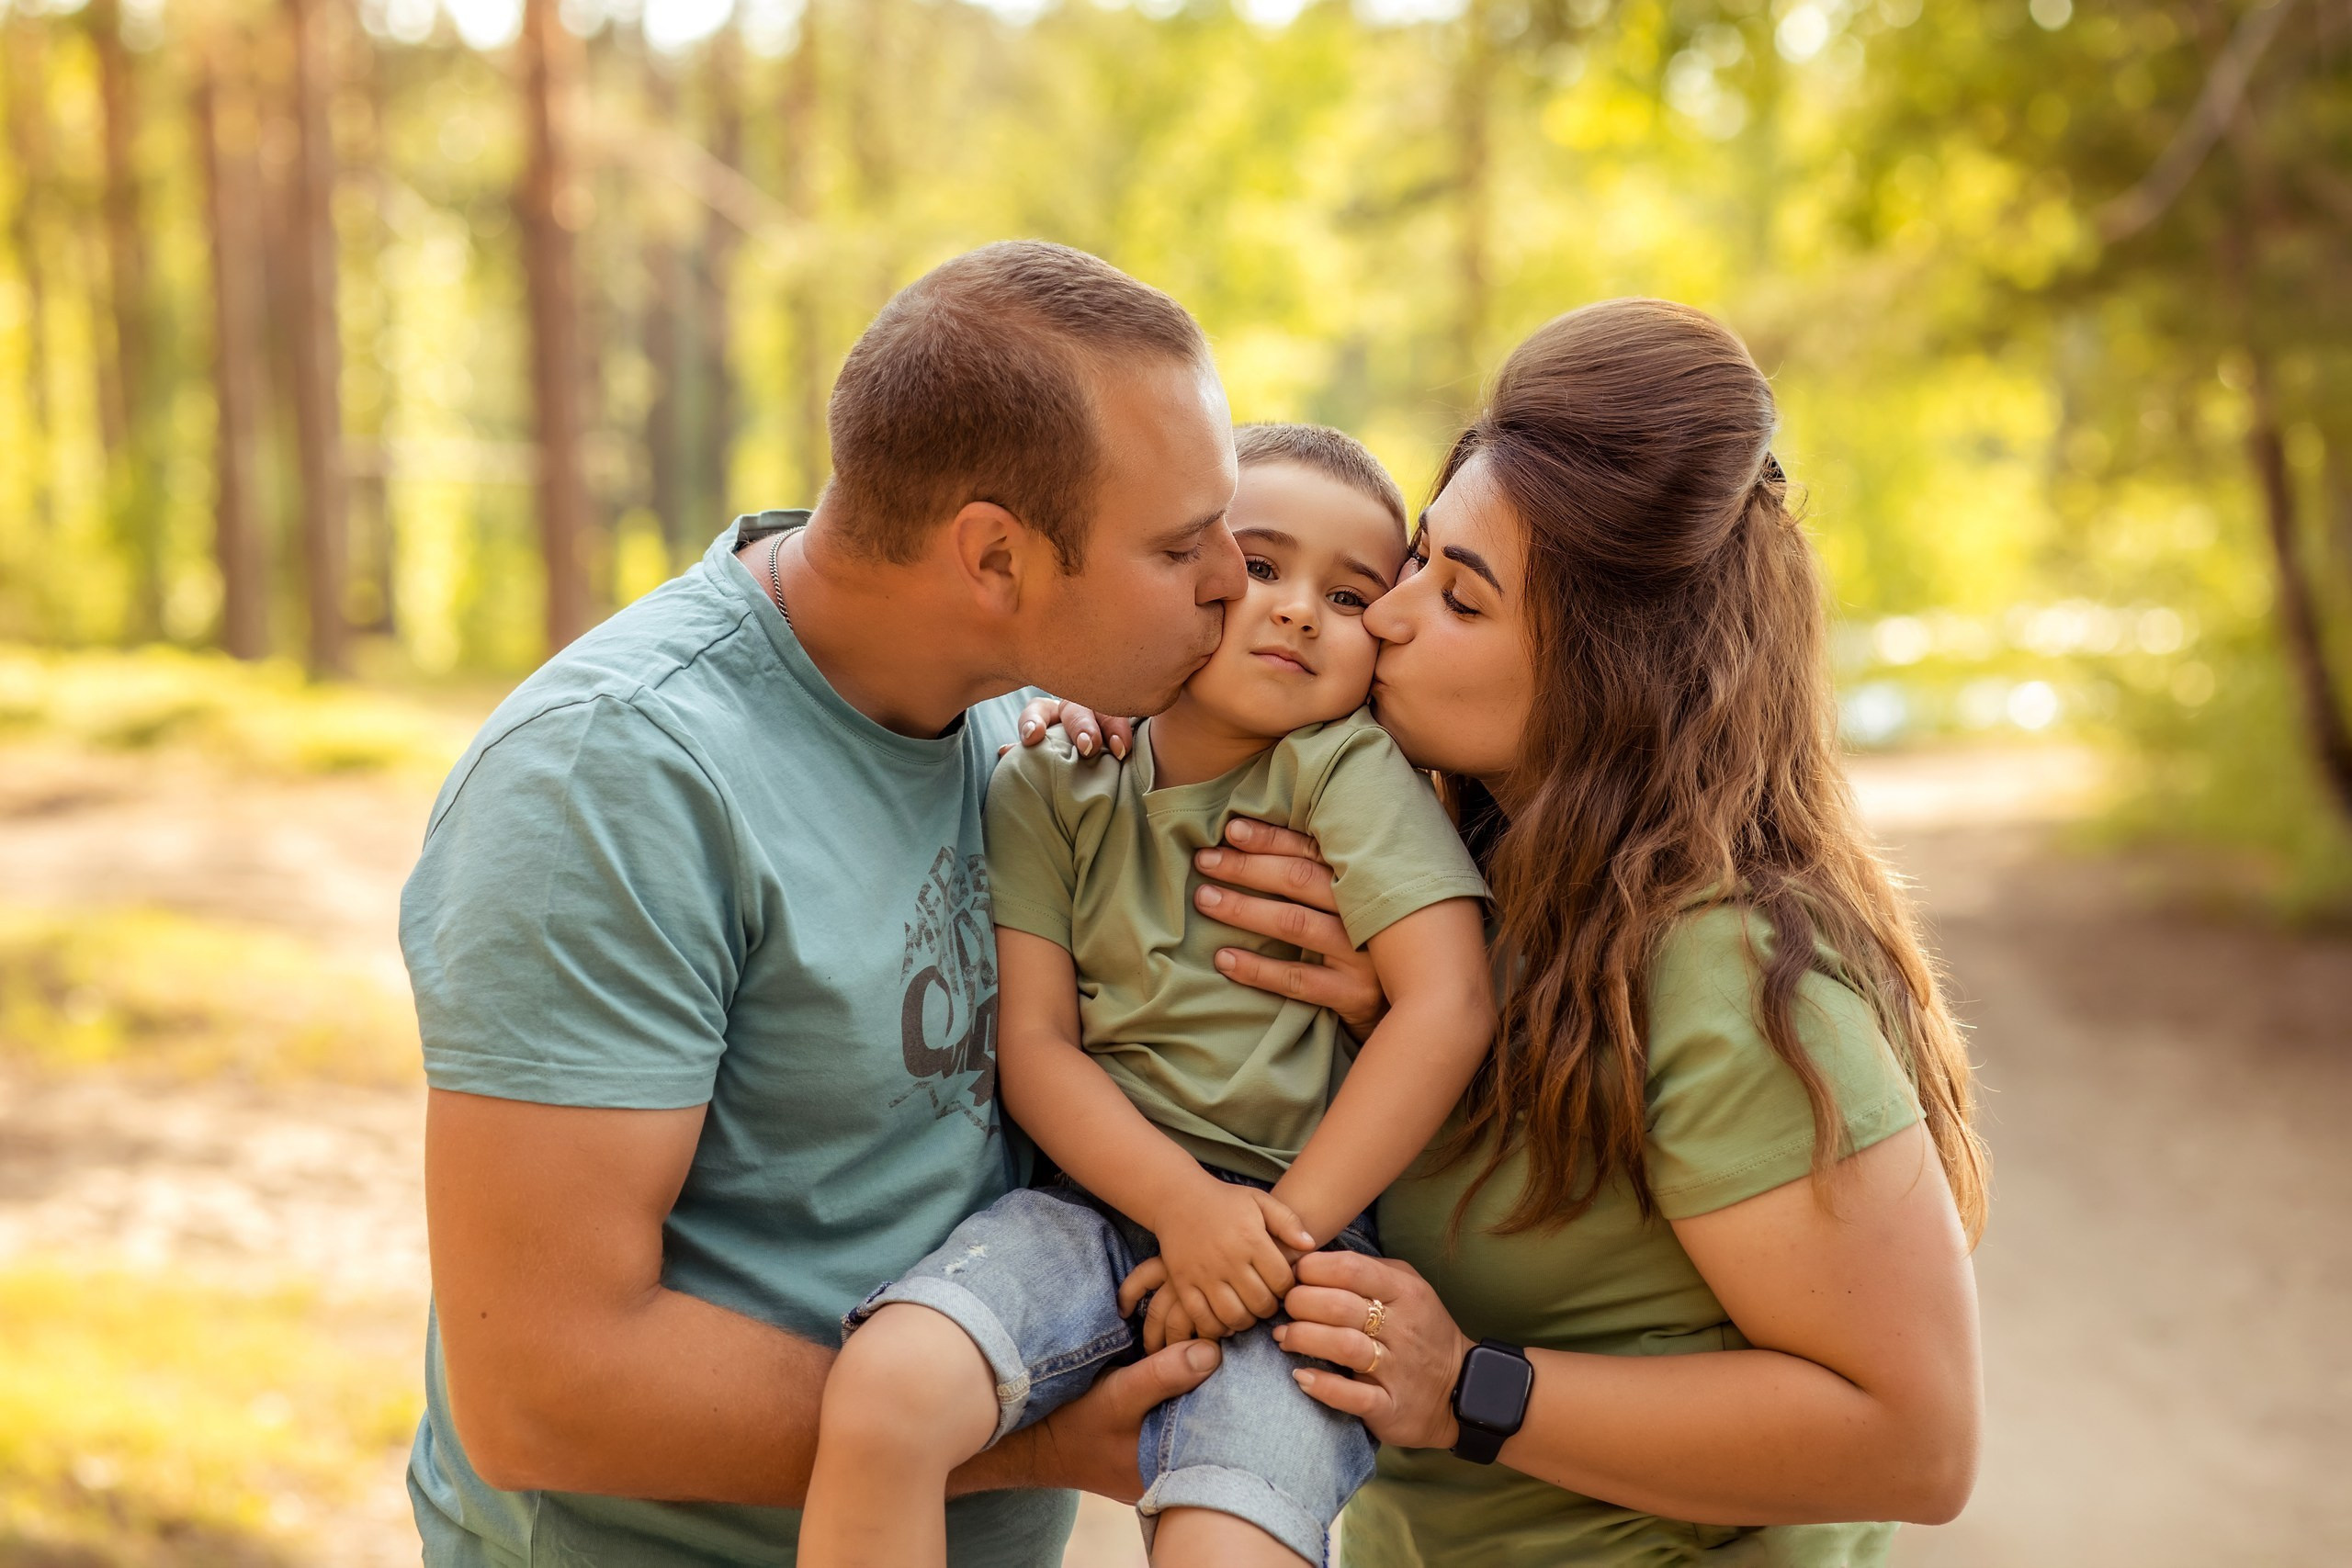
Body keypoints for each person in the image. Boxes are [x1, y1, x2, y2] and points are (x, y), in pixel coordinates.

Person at [1038, 298, 1987, 1566]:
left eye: (1460, 598)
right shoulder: (1462, 882)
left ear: (1607, 674)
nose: (1385, 617)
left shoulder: (1728, 962)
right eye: (1419, 559)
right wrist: (1097, 721)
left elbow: (1915, 1442)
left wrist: (1475, 1385)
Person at [400, 241, 1256, 1568]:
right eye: (1182, 544)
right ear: (994, 558)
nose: (1233, 584)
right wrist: (1016, 1438)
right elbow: (543, 1387)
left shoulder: (1040, 726)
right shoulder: (613, 780)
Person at [799, 425, 1496, 1568]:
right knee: (886, 1387)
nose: (1297, 609)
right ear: (1196, 573)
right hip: (1094, 1205)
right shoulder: (1055, 777)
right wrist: (1182, 1209)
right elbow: (1033, 1044)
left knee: (1228, 1537)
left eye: (1350, 593)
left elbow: (1449, 1001)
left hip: (1306, 1240)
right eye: (1262, 567)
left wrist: (1270, 1237)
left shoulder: (1343, 773)